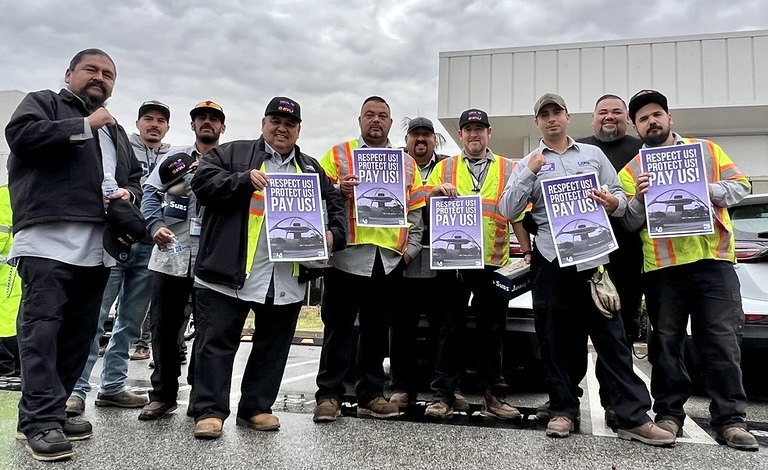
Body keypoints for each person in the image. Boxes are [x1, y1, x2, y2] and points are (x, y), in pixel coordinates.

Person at [499, 93, 675, 446]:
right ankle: (563, 410)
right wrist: (528, 174)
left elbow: (620, 200)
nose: (551, 119)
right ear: (537, 122)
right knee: (556, 341)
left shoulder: (592, 156)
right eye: (544, 115)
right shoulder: (528, 162)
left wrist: (614, 202)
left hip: (594, 261)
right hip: (550, 262)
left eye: (557, 113)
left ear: (567, 117)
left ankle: (632, 416)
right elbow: (507, 208)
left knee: (612, 340)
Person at [5, 48, 143, 461]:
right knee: (42, 332)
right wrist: (84, 124)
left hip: (97, 246)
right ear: (70, 73)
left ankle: (56, 412)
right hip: (48, 239)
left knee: (79, 335)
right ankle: (37, 422)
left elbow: (132, 177)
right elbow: (23, 138)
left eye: (108, 74)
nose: (100, 78)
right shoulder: (44, 102)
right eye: (91, 70)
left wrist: (128, 193)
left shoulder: (115, 132)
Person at [189, 96, 346, 439]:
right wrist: (242, 181)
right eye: (276, 121)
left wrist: (334, 235)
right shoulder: (232, 154)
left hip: (285, 277)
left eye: (290, 124)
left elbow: (334, 205)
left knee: (272, 348)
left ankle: (256, 408)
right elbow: (202, 184)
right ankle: (210, 411)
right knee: (215, 345)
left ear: (299, 130)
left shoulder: (311, 169)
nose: (282, 128)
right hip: (227, 274)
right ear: (263, 123)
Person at [619, 89, 757, 451]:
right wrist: (638, 198)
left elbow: (741, 187)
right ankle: (669, 414)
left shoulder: (707, 151)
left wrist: (703, 188)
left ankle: (730, 419)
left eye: (657, 114)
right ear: (636, 126)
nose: (652, 121)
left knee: (722, 342)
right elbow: (630, 222)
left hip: (714, 262)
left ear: (669, 118)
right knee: (666, 344)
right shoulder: (633, 169)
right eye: (644, 118)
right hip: (664, 268)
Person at [313, 96, 425, 422]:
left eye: (383, 116)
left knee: (376, 332)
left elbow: (415, 208)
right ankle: (329, 395)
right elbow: (314, 195)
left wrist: (408, 253)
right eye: (370, 115)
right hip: (347, 257)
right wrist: (337, 188)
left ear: (390, 123)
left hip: (387, 261)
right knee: (338, 329)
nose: (376, 120)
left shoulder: (404, 163)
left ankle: (371, 395)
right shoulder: (338, 154)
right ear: (360, 120)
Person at [66, 100, 172, 417]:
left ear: (167, 127)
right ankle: (76, 390)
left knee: (130, 322)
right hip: (113, 240)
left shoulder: (175, 158)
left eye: (161, 120)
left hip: (149, 245)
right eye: (148, 118)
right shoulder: (120, 146)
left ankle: (112, 387)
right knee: (94, 317)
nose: (154, 124)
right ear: (138, 122)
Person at [422, 108, 519, 420]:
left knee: (493, 331)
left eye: (480, 129)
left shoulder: (509, 167)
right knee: (448, 329)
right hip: (452, 261)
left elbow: (518, 212)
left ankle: (494, 397)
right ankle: (443, 395)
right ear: (460, 134)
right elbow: (422, 199)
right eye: (468, 129)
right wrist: (434, 191)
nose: (474, 134)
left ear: (489, 133)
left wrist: (527, 251)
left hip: (493, 261)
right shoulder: (444, 168)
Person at [138, 100, 225, 421]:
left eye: (213, 119)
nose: (207, 123)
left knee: (208, 331)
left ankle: (201, 397)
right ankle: (162, 395)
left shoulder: (227, 162)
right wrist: (154, 225)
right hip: (169, 256)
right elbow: (149, 192)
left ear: (222, 127)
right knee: (163, 329)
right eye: (201, 118)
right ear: (192, 125)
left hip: (210, 260)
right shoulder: (175, 160)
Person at [387, 117, 469, 411]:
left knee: (448, 329)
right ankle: (401, 387)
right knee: (401, 328)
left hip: (444, 263)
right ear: (406, 140)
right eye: (414, 135)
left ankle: (446, 388)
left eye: (426, 135)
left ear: (435, 140)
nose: (420, 140)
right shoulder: (393, 166)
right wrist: (428, 193)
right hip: (402, 261)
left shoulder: (450, 167)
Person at [0, 182, 21, 379]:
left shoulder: (3, 194)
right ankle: (15, 365)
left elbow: (1, 231)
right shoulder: (20, 190)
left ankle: (5, 366)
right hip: (15, 264)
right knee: (13, 316)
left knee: (5, 317)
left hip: (4, 269)